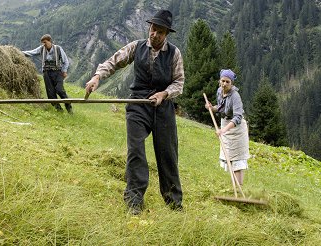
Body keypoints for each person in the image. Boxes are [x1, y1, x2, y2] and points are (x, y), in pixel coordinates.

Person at [85, 10, 184, 215]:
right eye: (153, 29)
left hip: (163, 108)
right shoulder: (137, 47)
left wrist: (164, 93)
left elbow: (179, 83)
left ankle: (174, 204)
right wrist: (97, 77)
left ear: (167, 34)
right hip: (138, 104)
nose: (154, 34)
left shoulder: (174, 53)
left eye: (160, 32)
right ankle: (134, 202)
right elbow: (114, 61)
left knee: (168, 155)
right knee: (136, 151)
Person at [205, 69, 250, 186]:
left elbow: (238, 117)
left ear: (232, 83)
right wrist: (212, 107)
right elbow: (221, 108)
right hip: (225, 125)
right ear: (220, 81)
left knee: (237, 159)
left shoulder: (235, 96)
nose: (224, 84)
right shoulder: (219, 91)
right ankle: (234, 187)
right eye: (223, 81)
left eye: (227, 82)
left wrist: (224, 130)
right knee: (229, 157)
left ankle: (238, 187)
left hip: (237, 129)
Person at [23, 34, 72, 113]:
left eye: (45, 42)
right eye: (42, 43)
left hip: (57, 72)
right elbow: (31, 52)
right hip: (47, 74)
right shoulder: (41, 49)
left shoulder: (58, 48)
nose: (44, 44)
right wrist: (18, 52)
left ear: (50, 41)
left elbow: (65, 61)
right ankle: (59, 111)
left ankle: (69, 109)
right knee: (50, 94)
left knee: (60, 90)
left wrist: (64, 70)